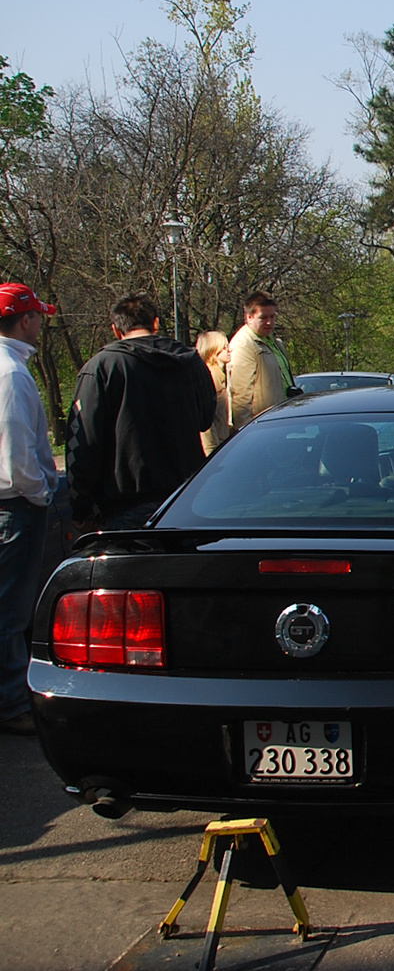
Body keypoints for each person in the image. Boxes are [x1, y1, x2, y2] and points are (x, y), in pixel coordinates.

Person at [65, 293, 216, 531]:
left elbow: (84, 441)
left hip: (126, 502)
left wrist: (81, 506)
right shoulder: (191, 362)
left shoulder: (102, 367)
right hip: (187, 498)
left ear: (116, 329)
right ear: (155, 323)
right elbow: (205, 419)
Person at [0, 284, 60, 735]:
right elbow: (19, 452)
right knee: (13, 610)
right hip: (14, 505)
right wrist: (41, 494)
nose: (41, 323)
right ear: (25, 320)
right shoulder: (11, 374)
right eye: (37, 316)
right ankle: (12, 704)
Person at [228, 291, 295, 429]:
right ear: (249, 317)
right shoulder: (244, 345)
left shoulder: (275, 343)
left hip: (280, 419)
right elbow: (241, 397)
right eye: (263, 317)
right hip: (262, 426)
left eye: (272, 316)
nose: (269, 322)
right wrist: (246, 433)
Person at [195, 330, 232, 456]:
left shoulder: (219, 376)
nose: (230, 350)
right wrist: (213, 453)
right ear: (214, 351)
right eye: (225, 348)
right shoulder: (211, 377)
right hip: (216, 450)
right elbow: (208, 424)